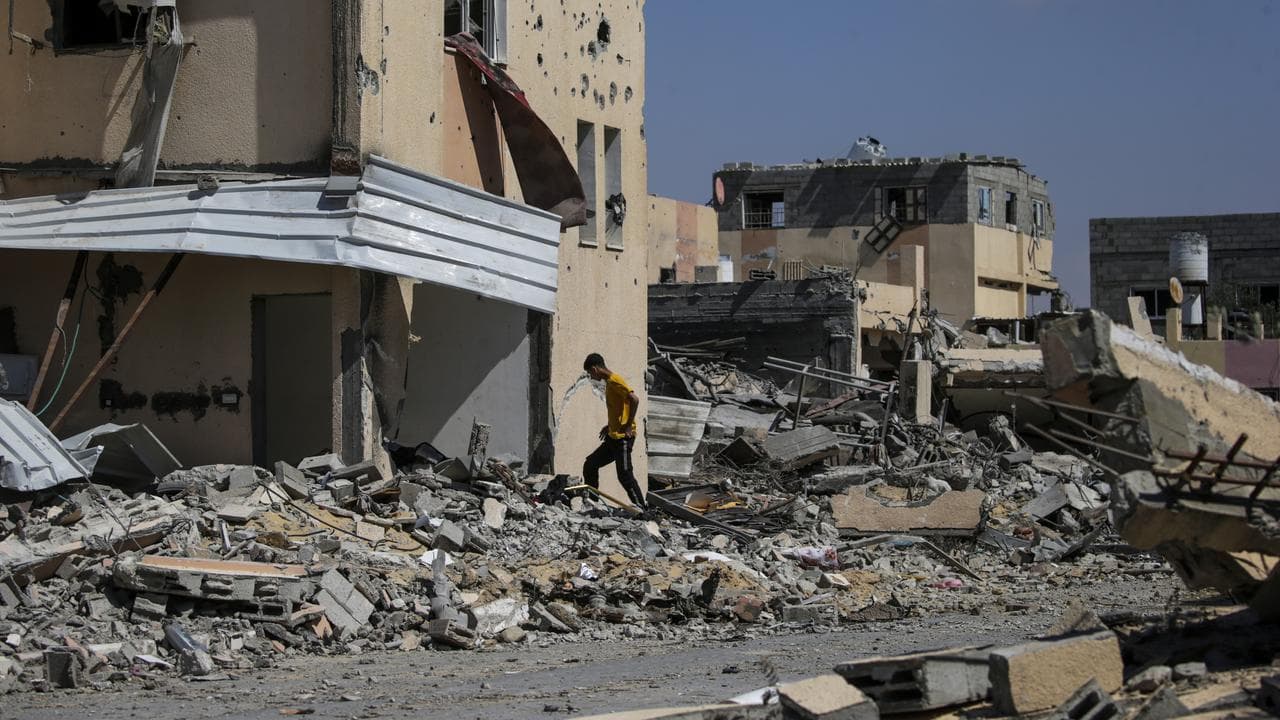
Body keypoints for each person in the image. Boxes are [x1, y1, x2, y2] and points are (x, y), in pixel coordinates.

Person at [581, 352, 647, 509]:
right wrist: (610, 425)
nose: (591, 376)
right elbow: (619, 408)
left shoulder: (615, 380)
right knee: (590, 465)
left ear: (595, 369)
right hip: (613, 437)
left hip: (623, 438)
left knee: (625, 474)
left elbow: (634, 399)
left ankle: (642, 509)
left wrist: (629, 424)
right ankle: (592, 503)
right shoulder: (609, 383)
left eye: (590, 373)